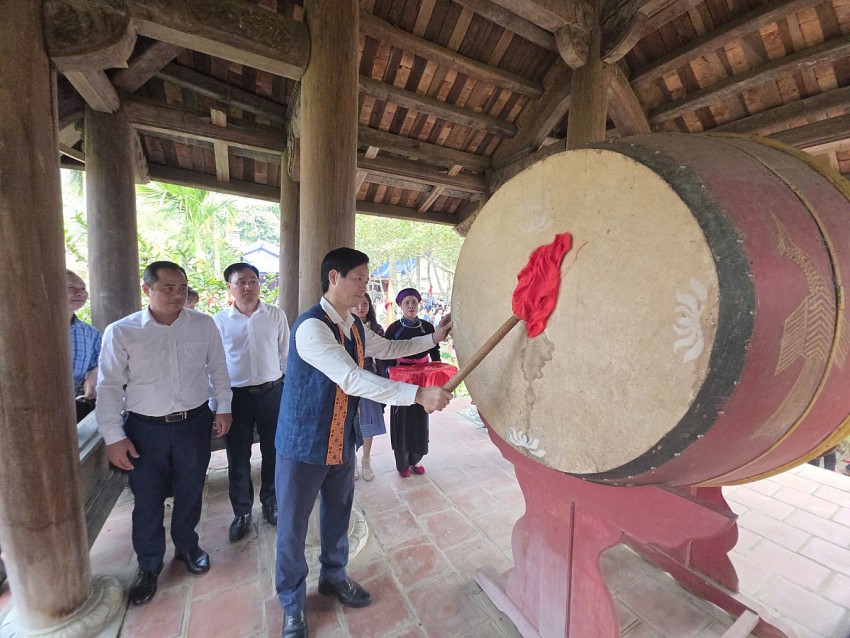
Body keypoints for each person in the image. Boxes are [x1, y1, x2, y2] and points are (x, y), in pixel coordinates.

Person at [275, 247, 452, 638]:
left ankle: (333, 577)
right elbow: (351, 378)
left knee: (338, 514)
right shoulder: (312, 327)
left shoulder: (353, 326)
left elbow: (387, 348)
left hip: (341, 439)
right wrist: (417, 395)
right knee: (292, 525)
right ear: (333, 277)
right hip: (303, 444)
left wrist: (433, 337)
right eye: (358, 279)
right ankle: (291, 602)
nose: (363, 287)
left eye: (365, 279)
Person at [96, 261, 232, 607]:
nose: (177, 294)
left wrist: (224, 406)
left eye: (182, 288)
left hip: (193, 423)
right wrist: (113, 435)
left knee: (191, 488)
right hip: (144, 429)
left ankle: (187, 545)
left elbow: (218, 368)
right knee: (147, 499)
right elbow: (109, 385)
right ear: (148, 290)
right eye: (167, 288)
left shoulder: (203, 325)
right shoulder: (122, 331)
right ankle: (149, 564)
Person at [214, 262, 289, 543]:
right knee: (237, 457)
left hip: (272, 393)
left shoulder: (275, 315)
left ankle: (271, 502)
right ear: (230, 287)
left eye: (253, 281)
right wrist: (218, 405)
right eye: (241, 282)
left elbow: (285, 354)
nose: (248, 287)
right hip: (237, 398)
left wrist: (286, 388)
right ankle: (242, 512)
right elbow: (215, 366)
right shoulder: (219, 321)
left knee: (274, 451)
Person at [383, 288, 442, 477]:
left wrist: (438, 375)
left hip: (422, 382)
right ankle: (402, 464)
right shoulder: (393, 329)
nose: (411, 306)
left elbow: (435, 353)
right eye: (407, 302)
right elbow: (386, 355)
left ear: (419, 304)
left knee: (420, 419)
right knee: (402, 420)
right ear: (400, 305)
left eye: (414, 302)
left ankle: (416, 459)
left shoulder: (428, 327)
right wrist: (388, 374)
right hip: (401, 382)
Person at [350, 292, 386, 482]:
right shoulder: (344, 327)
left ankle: (366, 459)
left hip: (370, 379)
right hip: (349, 380)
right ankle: (352, 461)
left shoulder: (377, 329)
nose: (360, 307)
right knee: (350, 421)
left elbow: (382, 360)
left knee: (368, 421)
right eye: (356, 304)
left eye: (365, 303)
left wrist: (383, 384)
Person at [67, 269, 101, 422]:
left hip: (76, 405)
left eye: (82, 288)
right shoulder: (30, 329)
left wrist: (92, 377)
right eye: (71, 288)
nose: (80, 293)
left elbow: (99, 363)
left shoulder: (90, 332)